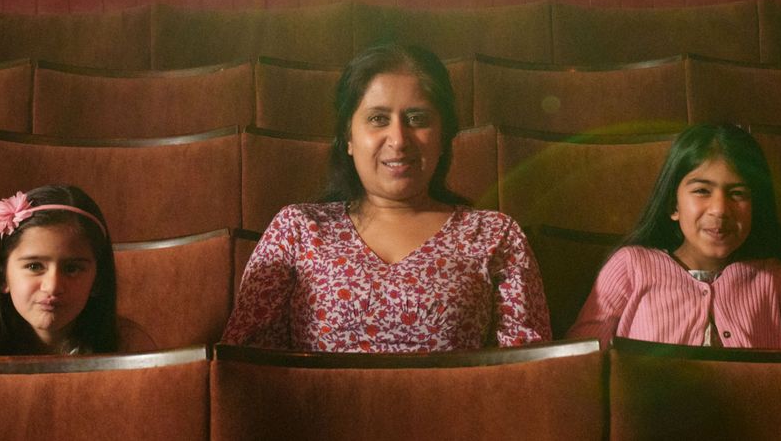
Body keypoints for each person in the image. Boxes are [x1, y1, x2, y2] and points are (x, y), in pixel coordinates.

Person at [221, 43, 551, 351]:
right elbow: (245, 366)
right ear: (348, 138)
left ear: (443, 136)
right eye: (378, 119)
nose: (398, 139)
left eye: (417, 119)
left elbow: (525, 374)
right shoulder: (298, 230)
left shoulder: (494, 235)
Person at [566, 123, 781, 348]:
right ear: (673, 205)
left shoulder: (777, 279)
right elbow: (583, 358)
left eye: (738, 193)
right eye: (702, 191)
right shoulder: (631, 266)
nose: (720, 209)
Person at [0, 184, 156, 355]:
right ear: (3, 277)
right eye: (34, 266)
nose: (52, 287)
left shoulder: (131, 348)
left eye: (72, 268)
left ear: (97, 278)